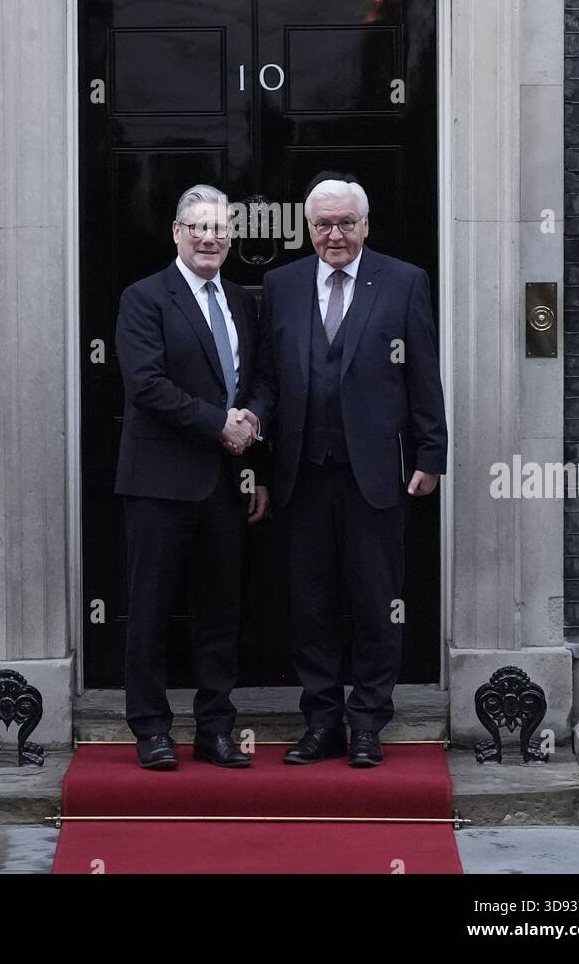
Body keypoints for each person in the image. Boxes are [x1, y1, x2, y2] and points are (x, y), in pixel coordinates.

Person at [244, 174, 447, 768]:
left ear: (365, 225)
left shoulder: (404, 282)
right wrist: (254, 457)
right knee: (309, 603)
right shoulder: (280, 286)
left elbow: (423, 374)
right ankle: (322, 720)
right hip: (300, 474)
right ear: (308, 229)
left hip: (377, 472)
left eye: (345, 223)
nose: (334, 234)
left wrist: (431, 454)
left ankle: (367, 723)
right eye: (322, 224)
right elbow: (266, 380)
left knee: (376, 598)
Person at [115, 184, 268, 770]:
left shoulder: (242, 301)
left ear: (230, 237)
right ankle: (151, 728)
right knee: (149, 610)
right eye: (198, 227)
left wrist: (251, 428)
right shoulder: (145, 297)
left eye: (219, 228)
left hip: (226, 483)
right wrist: (219, 425)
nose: (209, 237)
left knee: (219, 613)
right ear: (176, 233)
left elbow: (254, 380)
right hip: (159, 481)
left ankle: (215, 729)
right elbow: (147, 386)